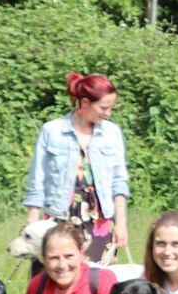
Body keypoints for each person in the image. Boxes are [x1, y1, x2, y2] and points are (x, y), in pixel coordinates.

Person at [23, 71, 131, 263]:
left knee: (97, 284)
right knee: (57, 276)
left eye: (111, 108)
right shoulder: (52, 131)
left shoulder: (112, 133)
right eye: (104, 108)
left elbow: (119, 182)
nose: (108, 113)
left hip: (99, 223)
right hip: (59, 220)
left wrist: (121, 224)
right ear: (85, 103)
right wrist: (32, 221)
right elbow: (37, 180)